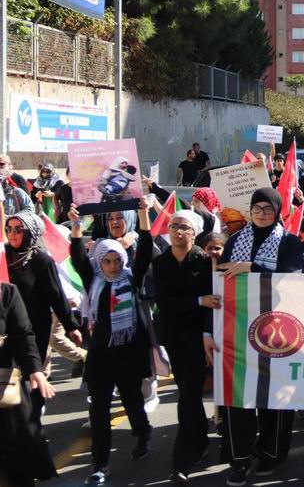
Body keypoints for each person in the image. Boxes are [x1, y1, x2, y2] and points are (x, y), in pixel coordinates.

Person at [212, 187, 304, 486]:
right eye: (256, 208)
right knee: (238, 398)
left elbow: (293, 278)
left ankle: (269, 452)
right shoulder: (235, 240)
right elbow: (220, 281)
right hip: (237, 331)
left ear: (277, 212)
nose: (262, 213)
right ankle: (239, 460)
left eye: (268, 208)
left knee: (274, 397)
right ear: (249, 211)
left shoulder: (289, 243)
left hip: (277, 330)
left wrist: (253, 267)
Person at [69, 205, 154, 486]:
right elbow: (78, 255)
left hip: (128, 354)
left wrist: (143, 216)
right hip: (100, 357)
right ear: (98, 262)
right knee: (99, 410)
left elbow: (143, 253)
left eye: (117, 260)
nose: (114, 266)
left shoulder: (132, 278)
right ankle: (100, 464)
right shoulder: (93, 280)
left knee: (132, 401)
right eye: (107, 261)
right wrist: (76, 226)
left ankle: (143, 433)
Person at [138, 208, 215, 484]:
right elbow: (165, 304)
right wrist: (197, 301)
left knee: (189, 396)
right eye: (173, 226)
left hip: (199, 340)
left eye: (184, 227)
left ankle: (181, 460)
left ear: (194, 232)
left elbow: (213, 302)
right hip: (174, 338)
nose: (178, 231)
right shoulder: (161, 264)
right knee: (189, 393)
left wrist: (206, 326)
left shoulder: (205, 261)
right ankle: (200, 440)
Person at [5, 210, 80, 427]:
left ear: (30, 232)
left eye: (18, 229)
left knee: (31, 373)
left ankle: (33, 423)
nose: (12, 234)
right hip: (5, 329)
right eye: (9, 229)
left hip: (33, 329)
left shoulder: (41, 261)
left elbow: (56, 295)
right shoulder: (3, 257)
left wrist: (70, 325)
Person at [0, 282, 58, 487]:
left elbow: (24, 334)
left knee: (15, 459)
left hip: (5, 387)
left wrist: (35, 370)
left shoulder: (7, 293)